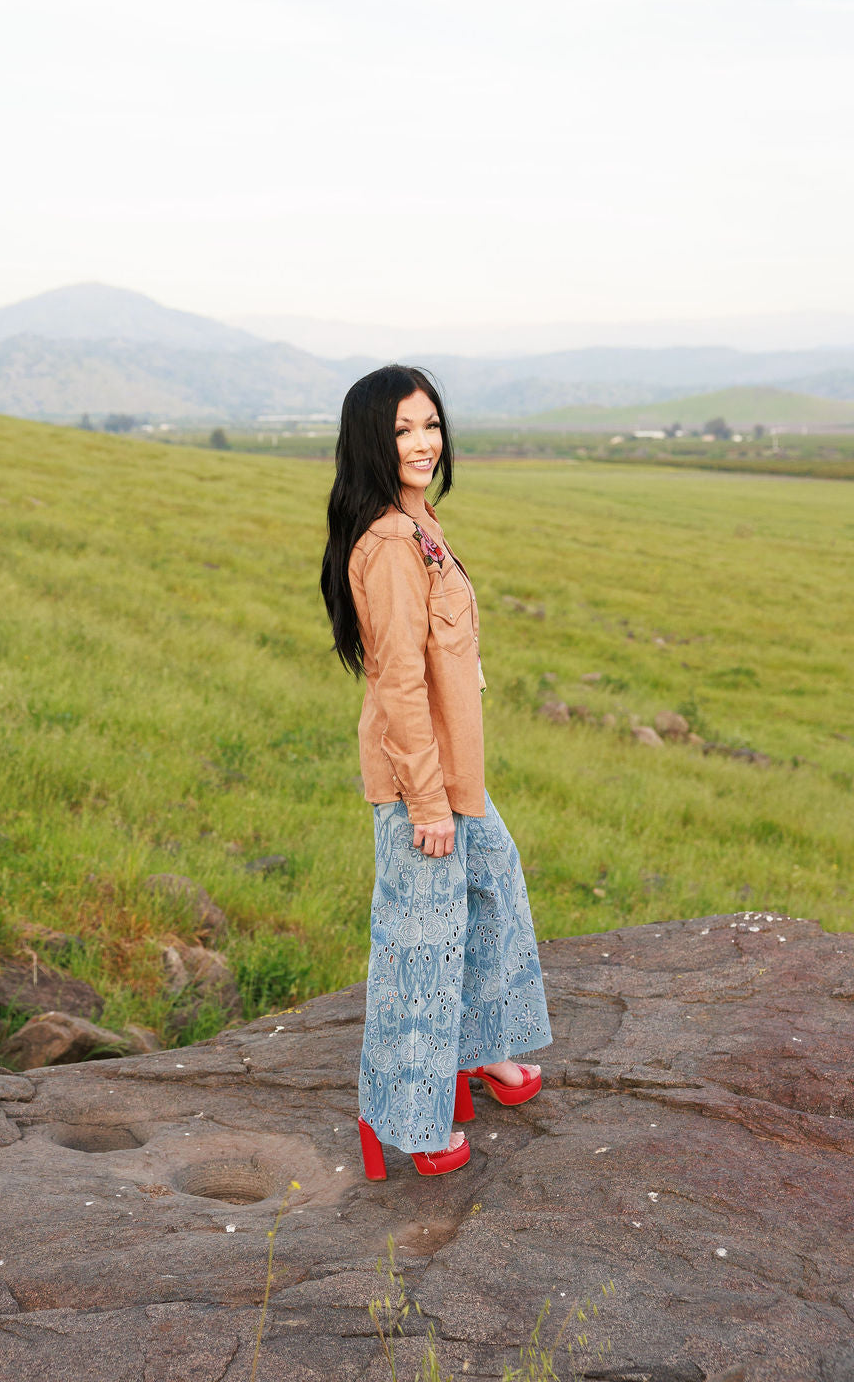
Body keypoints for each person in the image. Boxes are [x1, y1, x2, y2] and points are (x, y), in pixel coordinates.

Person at [321, 364, 552, 1179]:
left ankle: (480, 1050)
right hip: (421, 783)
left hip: (458, 773)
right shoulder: (389, 544)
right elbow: (399, 683)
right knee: (420, 946)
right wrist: (425, 805)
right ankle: (409, 1121)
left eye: (430, 424)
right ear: (371, 444)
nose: (423, 443)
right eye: (402, 431)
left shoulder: (418, 523)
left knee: (494, 889)